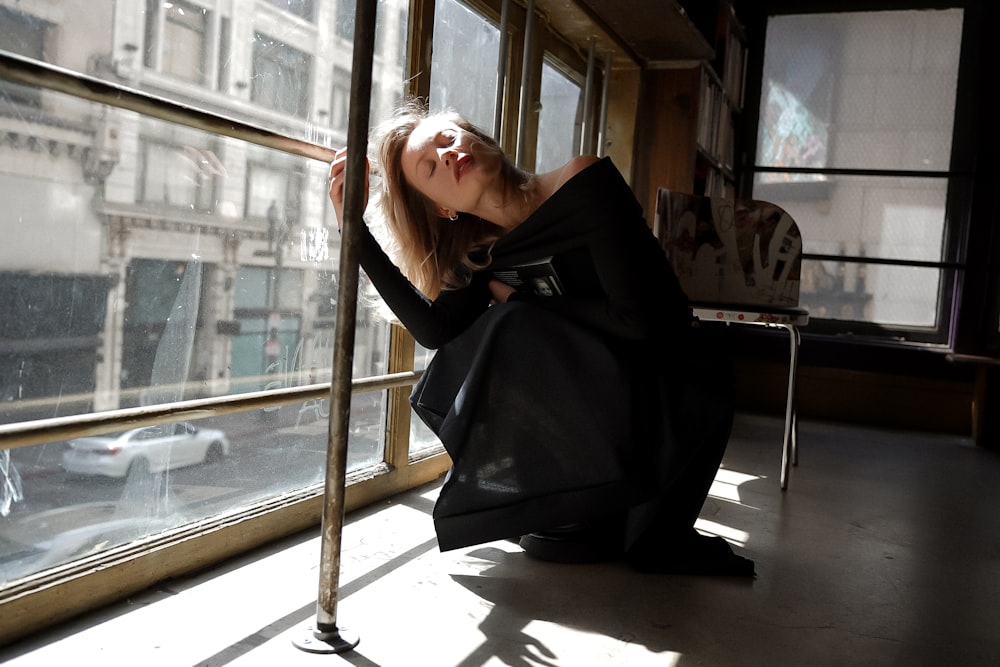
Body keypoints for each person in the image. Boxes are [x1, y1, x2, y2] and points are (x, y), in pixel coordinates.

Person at [328, 101, 754, 576]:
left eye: (450, 137)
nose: (449, 154)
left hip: (676, 380)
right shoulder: (481, 255)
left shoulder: (582, 181)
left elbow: (642, 323)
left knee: (646, 551)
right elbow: (435, 332)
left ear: (480, 139)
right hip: (602, 400)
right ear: (443, 208)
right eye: (432, 166)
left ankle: (590, 499)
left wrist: (521, 303)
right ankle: (564, 498)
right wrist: (355, 232)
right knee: (482, 340)